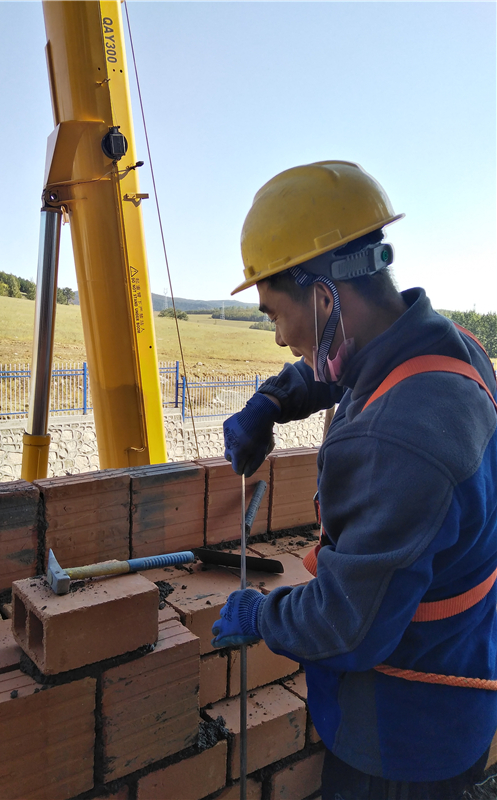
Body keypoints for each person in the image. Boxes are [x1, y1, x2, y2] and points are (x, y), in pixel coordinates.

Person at [211, 161, 497, 799]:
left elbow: (348, 626)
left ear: (323, 298)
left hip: (400, 734)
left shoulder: (397, 440)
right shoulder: (451, 349)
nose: (279, 338)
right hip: (459, 684)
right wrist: (272, 402)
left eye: (274, 314)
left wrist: (264, 615)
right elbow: (349, 366)